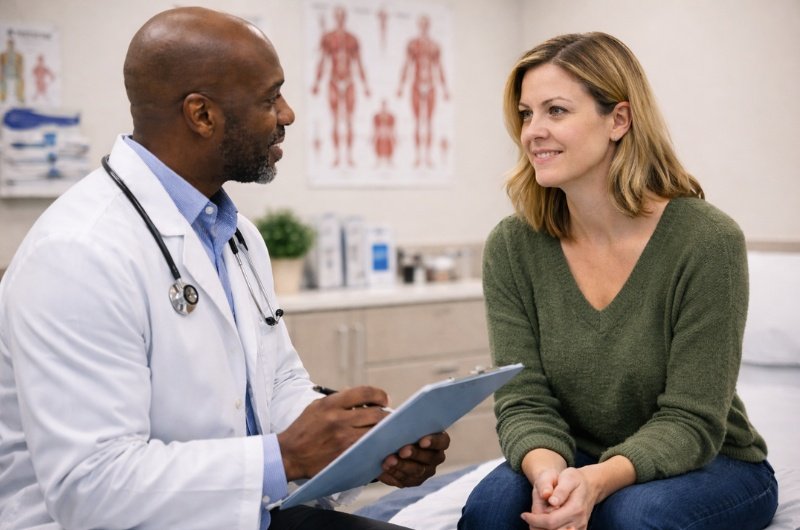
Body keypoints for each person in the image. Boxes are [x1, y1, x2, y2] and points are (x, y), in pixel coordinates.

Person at [0, 8, 449, 530]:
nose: (288, 114)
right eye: (269, 99)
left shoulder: (234, 235)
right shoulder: (77, 253)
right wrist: (285, 457)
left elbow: (276, 384)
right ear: (202, 115)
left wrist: (364, 444)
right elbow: (92, 487)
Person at [458, 32, 778, 530]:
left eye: (556, 111)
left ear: (619, 119)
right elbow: (525, 400)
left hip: (713, 462)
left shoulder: (707, 240)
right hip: (577, 456)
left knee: (630, 517)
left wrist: (597, 483)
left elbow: (693, 420)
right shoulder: (512, 245)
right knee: (491, 511)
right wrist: (550, 478)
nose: (532, 131)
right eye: (526, 113)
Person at [311, 5, 370, 168]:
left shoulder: (352, 39)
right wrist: (317, 82)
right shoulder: (328, 38)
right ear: (335, 17)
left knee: (349, 120)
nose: (339, 18)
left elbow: (359, 63)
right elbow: (322, 61)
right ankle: (337, 156)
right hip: (334, 81)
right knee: (336, 120)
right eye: (337, 16)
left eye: (342, 15)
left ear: (344, 17)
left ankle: (349, 156)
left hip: (349, 81)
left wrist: (365, 85)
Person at [396, 14, 449, 168]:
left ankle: (427, 156)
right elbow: (407, 65)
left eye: (426, 24)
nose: (424, 26)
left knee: (429, 122)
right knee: (418, 122)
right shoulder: (413, 45)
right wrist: (401, 86)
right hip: (416, 85)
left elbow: (439, 67)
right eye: (422, 24)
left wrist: (445, 89)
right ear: (420, 26)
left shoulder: (434, 46)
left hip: (431, 85)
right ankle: (418, 156)